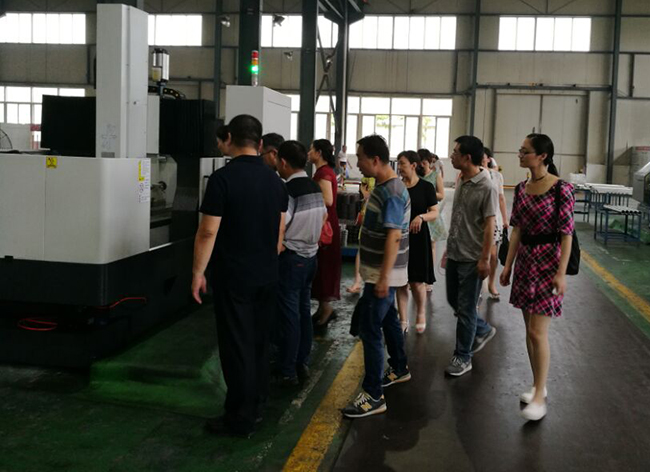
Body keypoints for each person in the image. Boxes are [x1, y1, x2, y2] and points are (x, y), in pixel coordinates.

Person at [192, 114, 288, 438]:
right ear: (260, 144)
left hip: (234, 277)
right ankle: (257, 405)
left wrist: (198, 272)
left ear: (229, 138)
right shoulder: (276, 181)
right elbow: (279, 233)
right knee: (259, 342)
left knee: (236, 346)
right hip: (267, 274)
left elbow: (207, 232)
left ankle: (239, 417)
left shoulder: (222, 180)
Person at [500, 133, 575, 422]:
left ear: (542, 156)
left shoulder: (561, 189)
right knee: (529, 330)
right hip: (525, 261)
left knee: (537, 332)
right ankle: (537, 386)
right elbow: (517, 230)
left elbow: (566, 235)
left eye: (525, 151)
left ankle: (541, 397)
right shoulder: (521, 188)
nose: (520, 155)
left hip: (548, 262)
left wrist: (561, 273)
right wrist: (507, 265)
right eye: (520, 150)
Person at [342, 134, 410, 419]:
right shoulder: (383, 187)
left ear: (376, 159)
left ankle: (373, 395)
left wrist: (383, 278)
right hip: (381, 273)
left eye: (360, 158)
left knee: (370, 330)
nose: (357, 164)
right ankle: (399, 367)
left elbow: (393, 236)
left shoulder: (391, 191)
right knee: (389, 319)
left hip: (383, 274)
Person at [274, 140, 328, 387]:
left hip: (292, 259)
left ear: (283, 162)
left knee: (289, 316)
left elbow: (281, 224)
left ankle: (287, 371)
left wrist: (280, 244)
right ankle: (302, 362)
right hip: (311, 258)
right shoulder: (314, 187)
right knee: (304, 311)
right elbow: (324, 216)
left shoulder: (288, 190)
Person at [444, 135, 498, 377]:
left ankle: (463, 357)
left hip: (472, 258)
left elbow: (489, 225)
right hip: (455, 253)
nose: (451, 156)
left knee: (465, 310)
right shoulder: (462, 179)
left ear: (467, 157)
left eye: (455, 152)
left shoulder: (487, 186)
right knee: (454, 301)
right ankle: (483, 329)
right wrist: (449, 248)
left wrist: (485, 259)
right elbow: (459, 218)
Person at [396, 151, 438, 334]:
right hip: (399, 237)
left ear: (413, 165)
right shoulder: (397, 187)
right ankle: (403, 319)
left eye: (402, 163)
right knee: (400, 281)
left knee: (416, 281)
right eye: (398, 163)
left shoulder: (426, 187)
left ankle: (421, 313)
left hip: (418, 237)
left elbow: (434, 212)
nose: (399, 167)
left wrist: (421, 217)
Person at [309, 139, 342, 327]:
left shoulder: (323, 173)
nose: (308, 153)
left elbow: (328, 200)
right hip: (326, 222)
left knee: (324, 265)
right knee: (322, 265)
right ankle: (322, 308)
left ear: (319, 152)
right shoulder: (325, 171)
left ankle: (326, 309)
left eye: (311, 150)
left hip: (325, 225)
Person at [481, 147, 508, 300]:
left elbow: (501, 198)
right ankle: (477, 286)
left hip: (494, 219)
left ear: (488, 159)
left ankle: (491, 283)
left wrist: (505, 219)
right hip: (477, 221)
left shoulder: (497, 176)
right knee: (476, 255)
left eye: (483, 156)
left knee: (492, 255)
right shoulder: (472, 174)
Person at [418, 149, 447, 276]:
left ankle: (429, 275)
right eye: (420, 163)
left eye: (424, 163)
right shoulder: (415, 176)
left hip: (431, 213)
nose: (422, 165)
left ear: (430, 162)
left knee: (431, 245)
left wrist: (427, 193)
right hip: (417, 213)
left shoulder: (436, 176)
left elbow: (441, 195)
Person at [346, 176, 375, 294]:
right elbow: (364, 194)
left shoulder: (384, 178)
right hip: (367, 214)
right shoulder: (367, 177)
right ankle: (357, 282)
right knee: (361, 249)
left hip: (378, 217)